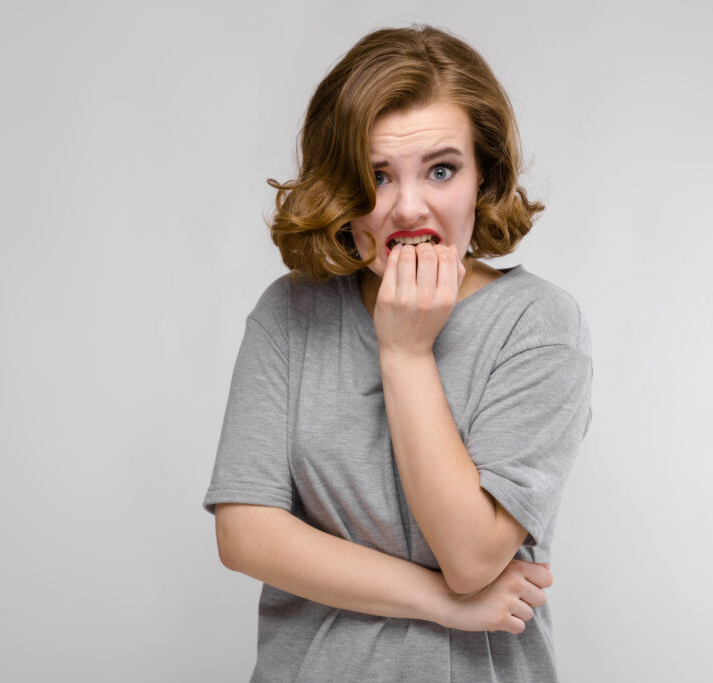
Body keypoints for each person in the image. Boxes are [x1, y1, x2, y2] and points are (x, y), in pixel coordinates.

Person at [203, 25, 593, 682]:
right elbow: (245, 533)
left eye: (442, 169)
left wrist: (407, 354)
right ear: (341, 192)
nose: (409, 207)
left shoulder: (539, 324)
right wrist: (442, 602)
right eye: (376, 176)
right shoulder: (289, 313)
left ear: (483, 176)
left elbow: (471, 555)